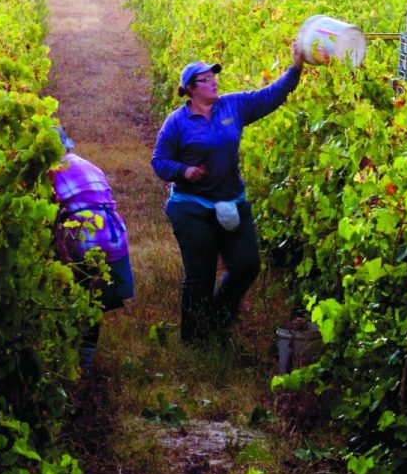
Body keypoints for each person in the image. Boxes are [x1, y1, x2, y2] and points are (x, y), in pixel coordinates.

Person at [151, 44, 309, 345]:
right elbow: (158, 161)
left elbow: (270, 96)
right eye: (206, 78)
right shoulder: (177, 122)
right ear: (190, 90)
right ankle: (196, 340)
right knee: (200, 276)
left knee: (247, 265)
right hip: (191, 207)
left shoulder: (232, 106)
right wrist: (183, 172)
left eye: (214, 76)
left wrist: (296, 68)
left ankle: (218, 320)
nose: (214, 81)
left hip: (230, 201)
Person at [50, 127, 133, 368]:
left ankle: (68, 363)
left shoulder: (49, 171)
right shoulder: (86, 164)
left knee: (71, 294)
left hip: (83, 235)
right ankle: (83, 364)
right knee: (91, 299)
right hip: (112, 232)